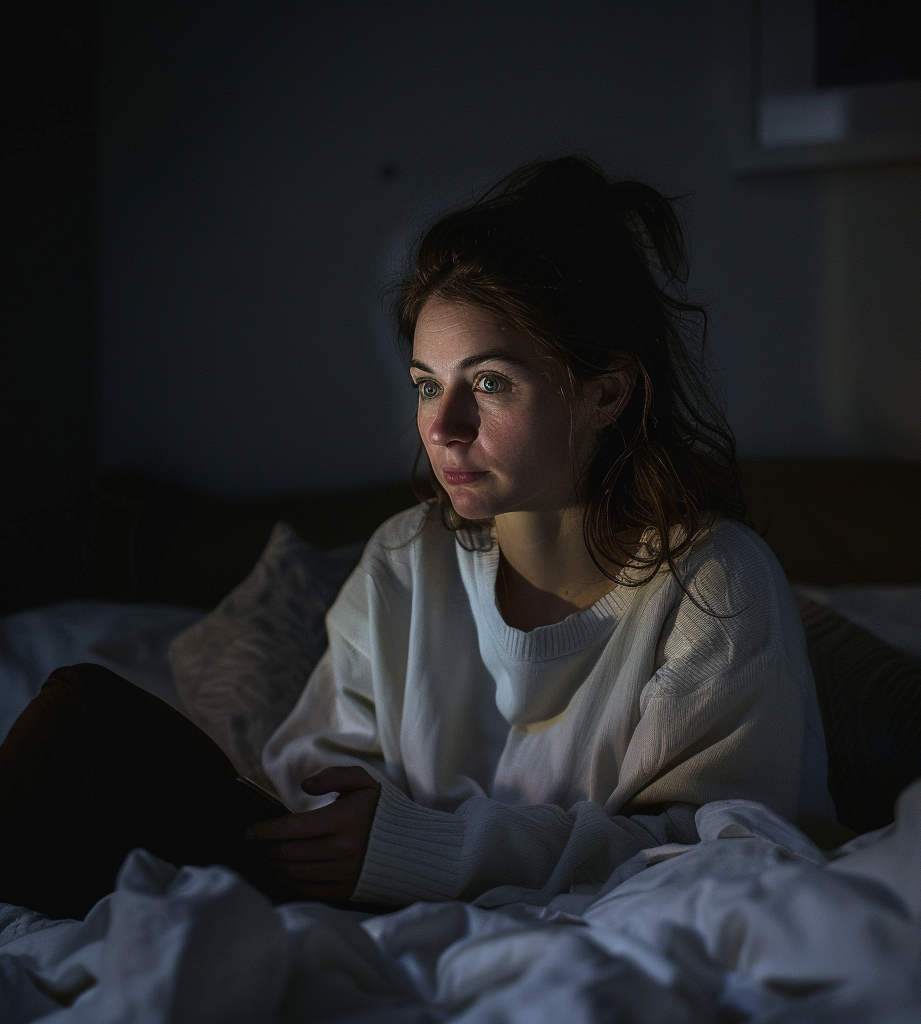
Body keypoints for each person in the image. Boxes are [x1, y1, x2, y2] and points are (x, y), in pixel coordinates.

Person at [244, 156, 833, 908]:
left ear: (605, 393)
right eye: (429, 385)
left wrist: (431, 848)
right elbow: (314, 779)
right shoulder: (403, 562)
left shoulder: (714, 585)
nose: (444, 428)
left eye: (490, 383)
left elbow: (712, 852)